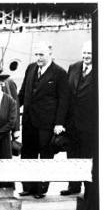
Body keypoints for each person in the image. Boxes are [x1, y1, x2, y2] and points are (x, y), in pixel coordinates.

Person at [18, 41, 70, 198]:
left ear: (50, 54)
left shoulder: (59, 73)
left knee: (45, 155)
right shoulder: (31, 68)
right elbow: (22, 92)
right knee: (27, 154)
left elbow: (64, 100)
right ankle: (28, 186)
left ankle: (41, 188)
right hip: (28, 121)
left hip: (46, 123)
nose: (38, 58)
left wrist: (59, 123)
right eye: (37, 55)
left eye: (41, 55)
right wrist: (13, 112)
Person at [60, 41, 96, 197]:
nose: (86, 56)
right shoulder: (73, 67)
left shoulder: (101, 69)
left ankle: (89, 189)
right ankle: (73, 185)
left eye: (89, 53)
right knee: (72, 154)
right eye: (85, 53)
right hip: (72, 123)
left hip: (90, 124)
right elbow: (66, 95)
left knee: (88, 157)